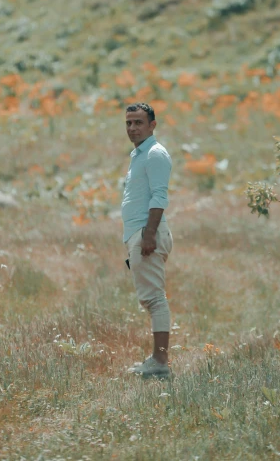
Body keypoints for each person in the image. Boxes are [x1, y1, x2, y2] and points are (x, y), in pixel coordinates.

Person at [122, 102, 173, 379]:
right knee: (151, 299)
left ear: (152, 125)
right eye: (128, 123)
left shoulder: (154, 154)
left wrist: (148, 234)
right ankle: (157, 359)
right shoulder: (139, 154)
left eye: (138, 123)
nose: (132, 128)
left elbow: (159, 196)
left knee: (154, 299)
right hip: (141, 232)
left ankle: (160, 362)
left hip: (147, 232)